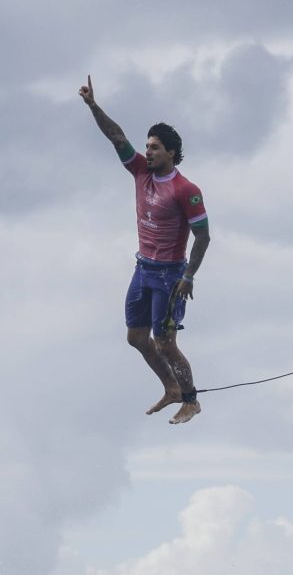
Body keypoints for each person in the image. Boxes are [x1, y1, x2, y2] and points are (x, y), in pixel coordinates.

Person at [79, 75, 211, 424]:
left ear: (170, 152)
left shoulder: (186, 189)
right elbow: (116, 137)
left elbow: (204, 236)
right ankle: (170, 388)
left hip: (170, 276)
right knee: (136, 337)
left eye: (154, 147)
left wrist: (189, 276)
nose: (147, 152)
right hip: (142, 269)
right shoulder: (141, 172)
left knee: (165, 342)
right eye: (147, 146)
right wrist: (94, 106)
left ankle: (191, 400)